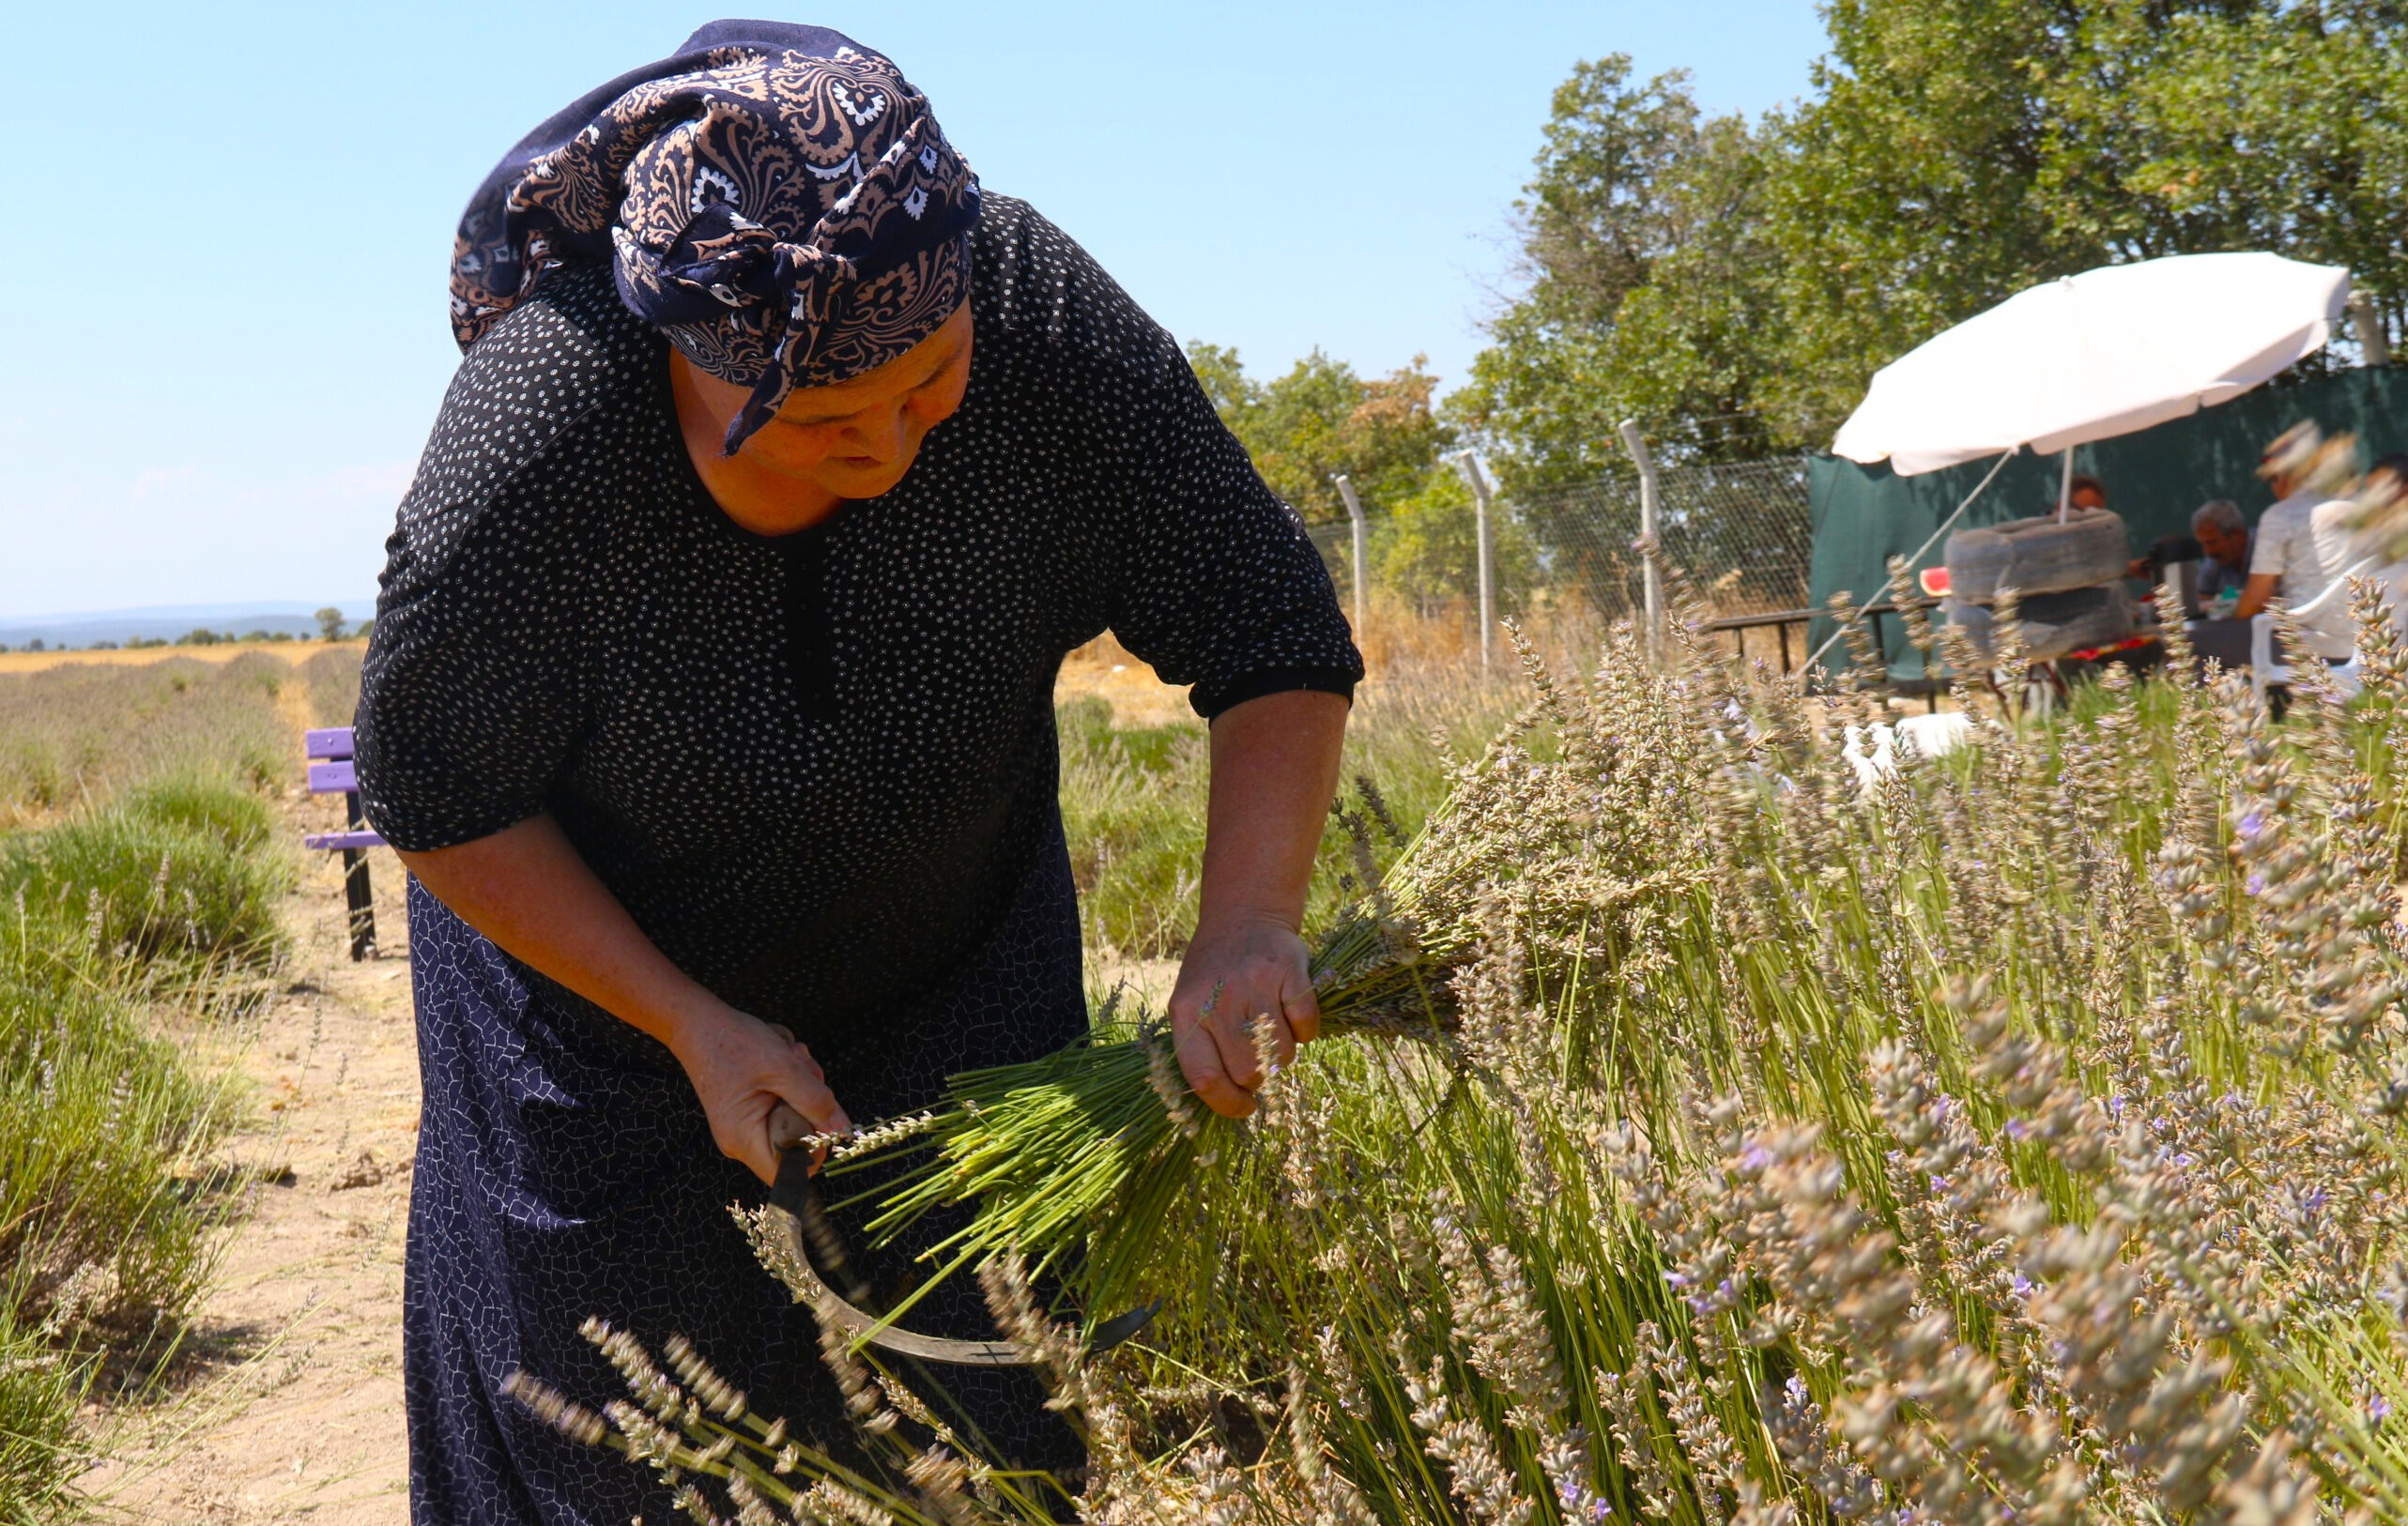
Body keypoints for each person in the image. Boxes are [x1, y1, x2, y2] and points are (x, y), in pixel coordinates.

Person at [354, 23, 1361, 1525]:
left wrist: (1244, 922)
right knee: (627, 1439)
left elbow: (1268, 626)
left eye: (928, 385)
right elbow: (437, 795)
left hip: (957, 977)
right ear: (686, 366)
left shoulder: (1033, 317)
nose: (890, 444)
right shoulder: (545, 431)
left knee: (982, 1416)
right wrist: (689, 1022)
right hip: (597, 1021)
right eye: (823, 423)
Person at [2236, 423, 2365, 661]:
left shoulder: (2280, 516)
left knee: (2199, 642)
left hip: (2310, 648)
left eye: (2272, 478)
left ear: (2283, 477)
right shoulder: (2364, 510)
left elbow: (2254, 602)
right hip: (2371, 644)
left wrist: (2230, 617)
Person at [2126, 499, 2254, 611]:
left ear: (2237, 535)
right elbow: (2198, 597)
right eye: (2203, 544)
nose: (2208, 552)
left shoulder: (2265, 550)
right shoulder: (2215, 559)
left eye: (2212, 542)